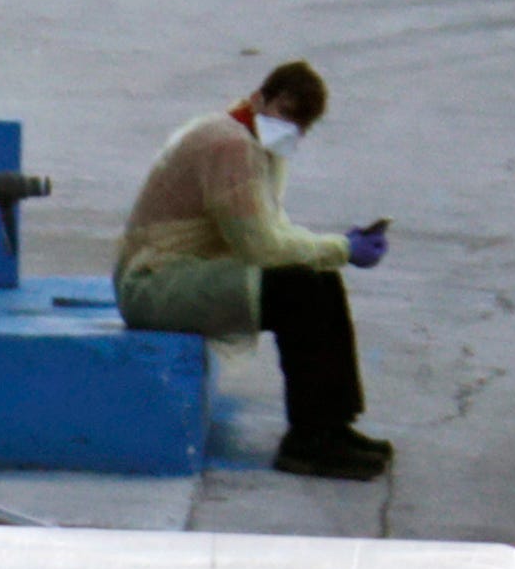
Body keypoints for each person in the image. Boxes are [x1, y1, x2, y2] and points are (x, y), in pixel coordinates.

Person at [113, 61, 394, 481]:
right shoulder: (229, 144)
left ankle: (333, 426)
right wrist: (341, 247)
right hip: (153, 286)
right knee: (301, 291)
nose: (288, 126)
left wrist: (334, 250)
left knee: (318, 279)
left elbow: (272, 231)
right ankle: (309, 440)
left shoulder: (251, 141)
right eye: (284, 111)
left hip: (182, 275)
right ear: (261, 98)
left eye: (299, 122)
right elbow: (260, 244)